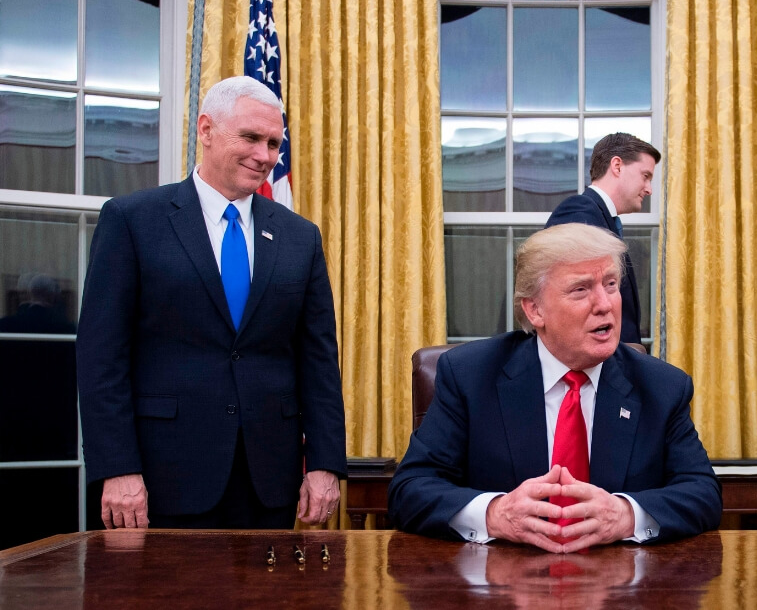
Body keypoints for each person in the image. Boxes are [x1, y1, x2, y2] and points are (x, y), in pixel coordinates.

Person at [76, 76, 346, 530]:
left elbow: (318, 360)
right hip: (161, 480)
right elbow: (101, 357)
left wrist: (324, 464)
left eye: (274, 143)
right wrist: (116, 467)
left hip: (268, 483)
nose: (264, 155)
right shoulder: (132, 221)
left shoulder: (300, 237)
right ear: (205, 129)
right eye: (251, 137)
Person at [389, 223, 720, 553]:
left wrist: (625, 515)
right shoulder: (471, 377)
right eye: (581, 289)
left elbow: (702, 493)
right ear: (535, 310)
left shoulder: (662, 387)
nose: (605, 304)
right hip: (502, 587)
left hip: (620, 588)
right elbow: (410, 490)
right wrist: (494, 514)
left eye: (611, 284)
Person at [546, 132, 660, 345]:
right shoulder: (578, 213)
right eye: (646, 176)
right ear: (617, 166)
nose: (649, 189)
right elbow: (574, 308)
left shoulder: (601, 217)